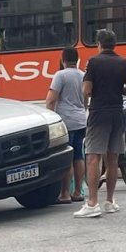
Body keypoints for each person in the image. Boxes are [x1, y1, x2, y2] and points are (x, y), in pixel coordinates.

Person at [75, 28, 126, 218]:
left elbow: (86, 89)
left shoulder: (93, 62)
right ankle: (110, 201)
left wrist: (95, 92)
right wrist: (117, 89)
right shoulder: (125, 63)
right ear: (114, 44)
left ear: (99, 44)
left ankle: (92, 203)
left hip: (99, 113)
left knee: (93, 157)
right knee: (113, 159)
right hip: (118, 113)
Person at [45, 46, 87, 203]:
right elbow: (85, 100)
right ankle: (77, 192)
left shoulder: (60, 75)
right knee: (78, 156)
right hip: (80, 120)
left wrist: (50, 117)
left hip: (66, 122)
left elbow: (51, 99)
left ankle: (64, 194)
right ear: (76, 60)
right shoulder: (83, 75)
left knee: (66, 157)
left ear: (63, 60)